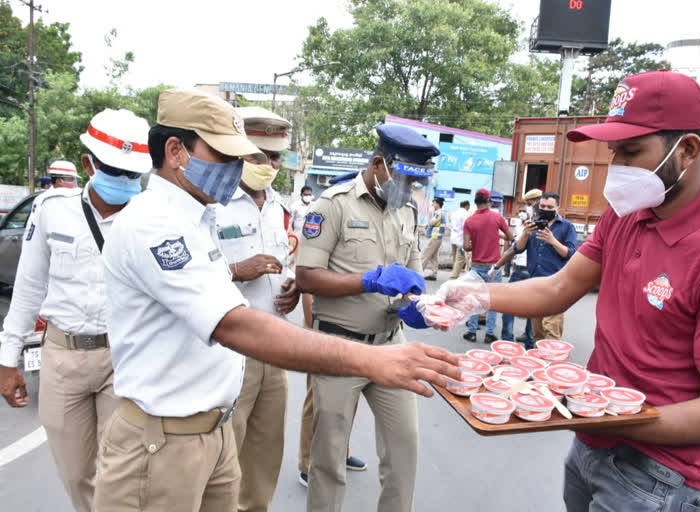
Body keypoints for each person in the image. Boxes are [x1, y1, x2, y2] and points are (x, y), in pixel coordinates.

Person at [94, 89, 458, 512]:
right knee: (328, 459)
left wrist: (419, 305)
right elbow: (234, 323)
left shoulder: (199, 218)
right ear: (175, 151)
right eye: (226, 156)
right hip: (164, 440)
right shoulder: (155, 225)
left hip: (212, 428)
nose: (240, 169)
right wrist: (371, 356)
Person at [435, 70, 700, 511]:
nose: (617, 169)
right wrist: (476, 295)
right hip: (591, 446)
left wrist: (598, 409)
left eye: (631, 151)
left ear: (687, 149)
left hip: (658, 475)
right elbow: (559, 287)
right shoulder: (626, 214)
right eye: (614, 153)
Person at [0, 108, 153, 512]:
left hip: (123, 359)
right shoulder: (53, 209)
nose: (123, 181)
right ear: (88, 164)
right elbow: (28, 286)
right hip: (62, 358)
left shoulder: (151, 219)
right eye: (113, 170)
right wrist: (7, 358)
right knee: (75, 474)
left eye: (131, 174)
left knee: (120, 471)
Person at [296, 124, 438, 512]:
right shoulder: (333, 204)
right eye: (405, 181)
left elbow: (412, 277)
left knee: (404, 448)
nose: (409, 192)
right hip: (339, 346)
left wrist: (420, 306)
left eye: (415, 185)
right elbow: (306, 276)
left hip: (391, 345)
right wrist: (366, 280)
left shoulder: (406, 209)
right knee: (328, 457)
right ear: (380, 164)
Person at [214, 106, 298, 512]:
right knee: (223, 457)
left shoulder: (282, 209)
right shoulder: (213, 206)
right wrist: (233, 270)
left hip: (274, 350)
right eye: (257, 155)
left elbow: (290, 264)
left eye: (275, 157)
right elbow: (189, 276)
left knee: (265, 455)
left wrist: (295, 290)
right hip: (230, 353)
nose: (268, 165)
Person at [296, 168, 368, 488]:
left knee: (345, 400)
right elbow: (309, 279)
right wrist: (312, 327)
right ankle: (307, 463)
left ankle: (341, 450)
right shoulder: (322, 214)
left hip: (351, 325)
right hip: (324, 324)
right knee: (319, 401)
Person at [501, 191, 577, 341]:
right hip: (535, 283)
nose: (545, 209)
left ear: (557, 207)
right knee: (537, 333)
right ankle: (538, 362)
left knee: (551, 332)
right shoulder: (533, 224)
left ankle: (552, 361)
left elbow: (570, 254)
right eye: (542, 206)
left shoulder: (567, 227)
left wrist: (552, 240)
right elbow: (518, 248)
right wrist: (525, 234)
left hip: (556, 286)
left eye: (550, 207)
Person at [461, 188, 514, 344]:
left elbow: (466, 246)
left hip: (476, 266)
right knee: (492, 300)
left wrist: (477, 243)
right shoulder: (497, 217)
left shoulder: (469, 221)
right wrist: (496, 235)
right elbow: (511, 238)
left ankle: (471, 332)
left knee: (475, 299)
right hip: (494, 267)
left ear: (475, 202)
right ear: (489, 202)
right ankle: (489, 334)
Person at [492, 206, 534, 348]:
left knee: (532, 307)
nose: (522, 214)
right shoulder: (519, 227)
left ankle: (526, 338)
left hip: (529, 270)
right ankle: (508, 338)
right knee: (509, 305)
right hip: (518, 268)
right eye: (520, 212)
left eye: (525, 212)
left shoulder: (534, 228)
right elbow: (513, 246)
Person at [421, 196, 446, 280]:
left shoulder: (438, 213)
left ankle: (418, 272)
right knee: (433, 256)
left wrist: (430, 216)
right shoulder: (440, 212)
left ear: (438, 204)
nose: (432, 204)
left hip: (435, 237)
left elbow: (432, 222)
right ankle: (434, 273)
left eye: (434, 203)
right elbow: (434, 223)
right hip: (437, 237)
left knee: (426, 254)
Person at [448, 200, 471, 278]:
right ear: (467, 206)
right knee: (460, 259)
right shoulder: (465, 213)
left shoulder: (454, 213)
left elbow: (451, 224)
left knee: (455, 259)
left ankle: (454, 274)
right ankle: (453, 277)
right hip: (460, 239)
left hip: (453, 238)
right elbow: (466, 227)